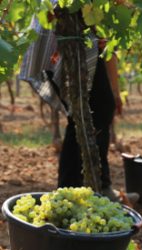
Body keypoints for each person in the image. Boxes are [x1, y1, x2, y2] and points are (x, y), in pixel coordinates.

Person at [19, 12, 135, 203]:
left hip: (86, 38)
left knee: (96, 111)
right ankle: (73, 192)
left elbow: (107, 40)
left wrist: (115, 89)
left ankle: (91, 188)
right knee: (85, 114)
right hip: (71, 38)